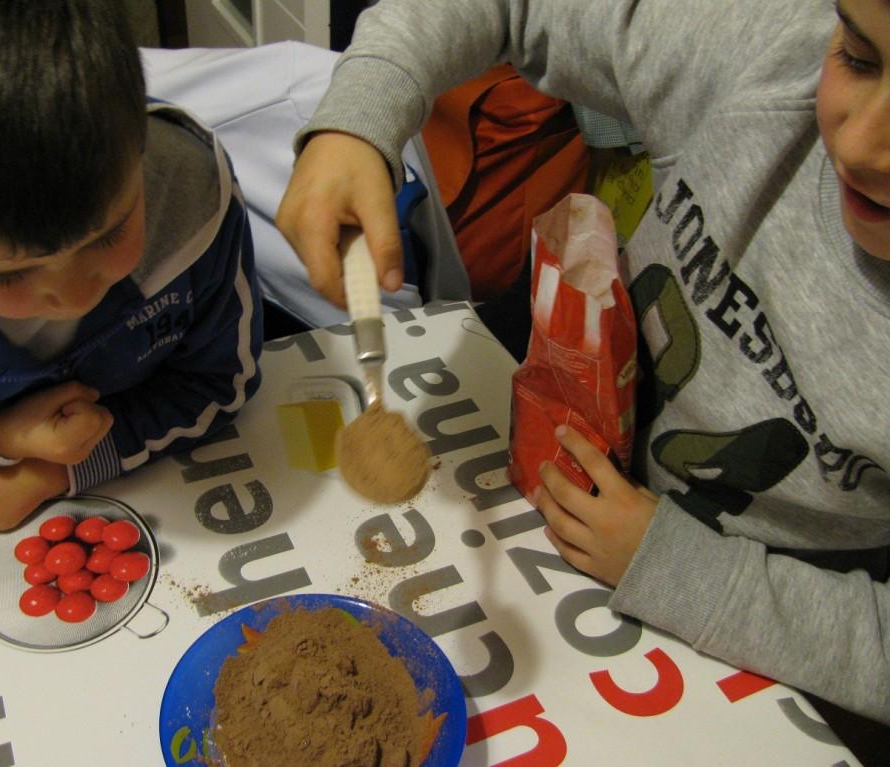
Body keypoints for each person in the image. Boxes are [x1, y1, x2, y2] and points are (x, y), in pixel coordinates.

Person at [275, 0, 890, 735]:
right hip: (572, 455)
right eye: (858, 56)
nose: (858, 144)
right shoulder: (766, 64)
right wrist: (360, 114)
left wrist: (686, 573)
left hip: (757, 631)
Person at [0, 0, 262, 534]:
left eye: (110, 233)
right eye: (4, 276)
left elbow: (220, 383)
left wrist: (53, 472)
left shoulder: (190, 192)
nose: (75, 297)